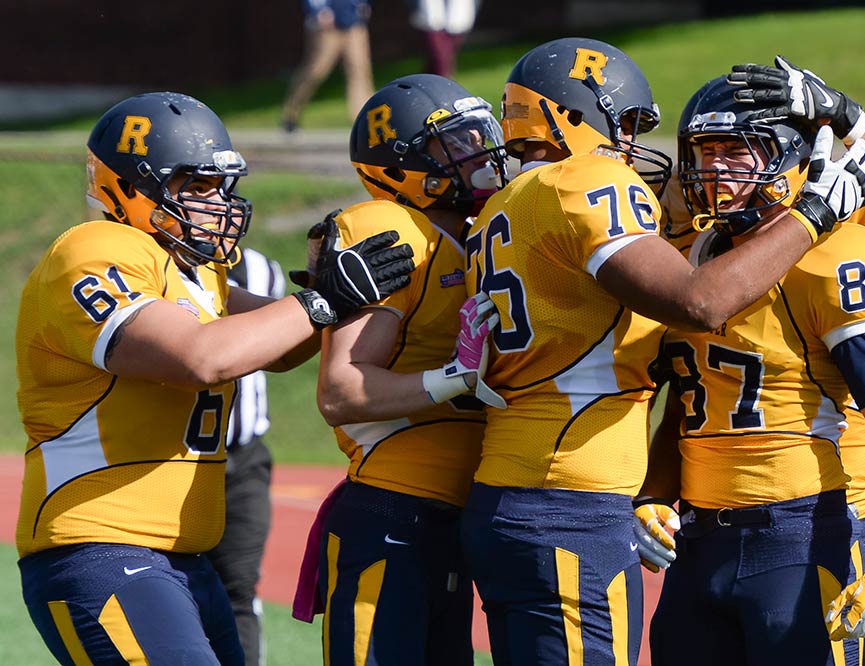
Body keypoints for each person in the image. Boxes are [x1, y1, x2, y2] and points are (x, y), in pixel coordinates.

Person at [460, 38, 865, 666]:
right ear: (574, 114)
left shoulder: (500, 205)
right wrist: (813, 214)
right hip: (570, 502)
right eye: (623, 125)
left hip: (508, 491)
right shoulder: (588, 180)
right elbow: (699, 302)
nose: (629, 146)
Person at [15, 91, 415, 665]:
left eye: (221, 188)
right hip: (100, 545)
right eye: (195, 187)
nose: (216, 204)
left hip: (181, 557)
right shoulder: (94, 248)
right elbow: (202, 357)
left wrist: (348, 296)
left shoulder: (198, 272)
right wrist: (324, 298)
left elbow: (279, 348)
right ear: (129, 186)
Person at [638, 62, 865, 665]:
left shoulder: (835, 253)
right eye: (707, 150)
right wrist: (654, 492)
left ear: (789, 158)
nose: (717, 169)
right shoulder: (685, 256)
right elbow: (689, 397)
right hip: (701, 539)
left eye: (739, 151)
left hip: (804, 529)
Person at [289, 74, 509, 665]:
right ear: (403, 164)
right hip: (395, 505)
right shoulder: (390, 231)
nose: (481, 152)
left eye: (481, 135)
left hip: (459, 514)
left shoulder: (485, 231)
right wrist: (452, 377)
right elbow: (342, 390)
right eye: (457, 144)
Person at [205, 247, 286, 666]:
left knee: (239, 587)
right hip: (174, 459)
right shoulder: (148, 264)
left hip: (245, 457)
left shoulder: (260, 269)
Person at [281, 0, 375, 132]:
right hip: (327, 24)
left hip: (353, 22)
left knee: (360, 71)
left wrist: (364, 4)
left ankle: (363, 122)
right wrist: (318, 10)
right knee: (315, 72)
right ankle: (290, 115)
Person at [408, 0, 480, 78]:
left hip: (457, 20)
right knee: (440, 61)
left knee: (437, 62)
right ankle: (443, 83)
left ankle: (422, 83)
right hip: (431, 19)